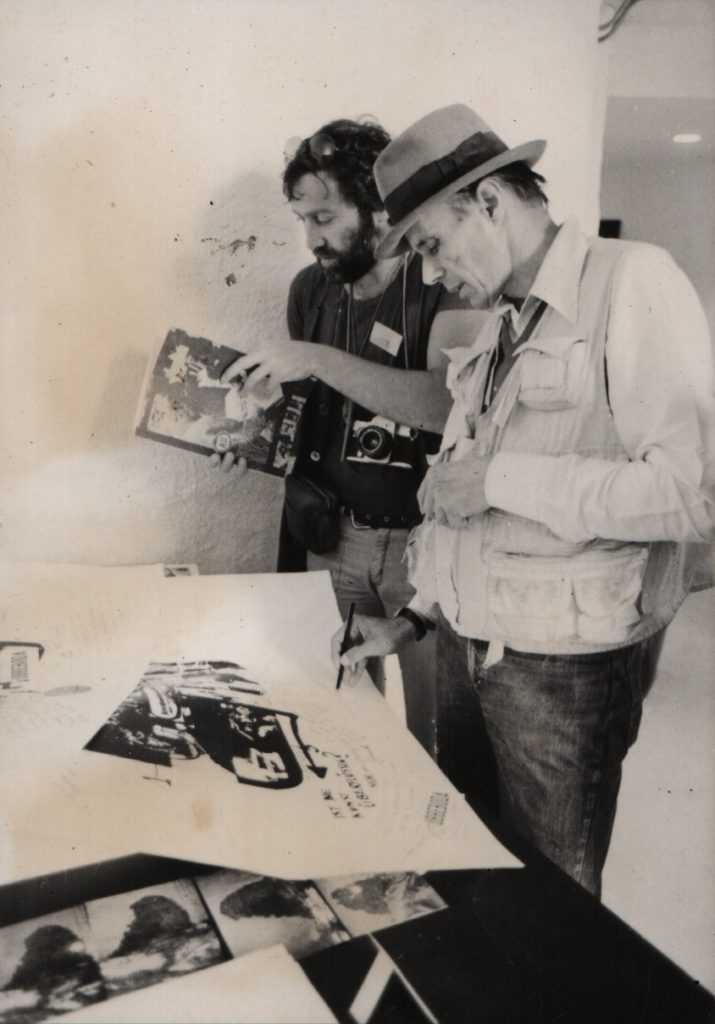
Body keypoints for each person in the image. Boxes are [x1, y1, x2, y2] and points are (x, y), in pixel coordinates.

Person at [333, 103, 715, 896]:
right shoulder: (501, 326)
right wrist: (411, 619)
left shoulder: (631, 278)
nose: (431, 274)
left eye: (431, 245)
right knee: (475, 883)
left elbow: (691, 493)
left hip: (562, 677)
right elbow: (464, 509)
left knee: (552, 911)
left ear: (489, 203)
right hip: (468, 654)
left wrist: (500, 479)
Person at [214, 117, 481, 755]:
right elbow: (302, 408)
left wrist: (314, 358)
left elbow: (446, 407)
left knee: (440, 739)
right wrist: (245, 436)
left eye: (326, 218)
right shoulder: (310, 290)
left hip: (425, 553)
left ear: (377, 207)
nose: (313, 239)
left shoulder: (444, 279)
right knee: (329, 724)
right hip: (331, 540)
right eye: (304, 221)